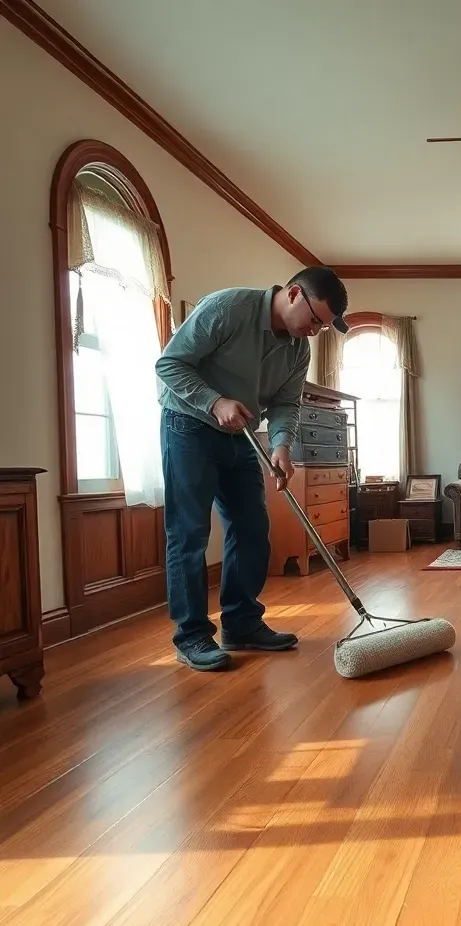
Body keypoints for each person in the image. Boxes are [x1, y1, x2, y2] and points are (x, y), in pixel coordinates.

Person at [155, 266, 349, 671]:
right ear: (294, 294)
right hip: (189, 426)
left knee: (252, 528)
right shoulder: (228, 307)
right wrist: (214, 401)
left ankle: (242, 624)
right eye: (315, 320)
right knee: (189, 533)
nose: (315, 331)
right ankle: (191, 637)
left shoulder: (299, 350)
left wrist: (280, 446)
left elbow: (285, 403)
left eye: (323, 327)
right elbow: (169, 364)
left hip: (241, 436)